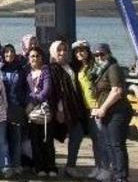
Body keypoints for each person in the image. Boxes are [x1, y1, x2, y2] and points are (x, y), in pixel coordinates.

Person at [90, 43, 133, 182]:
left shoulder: (113, 68)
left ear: (109, 54)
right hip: (106, 112)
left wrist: (103, 108)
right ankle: (115, 174)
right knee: (109, 144)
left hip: (118, 111)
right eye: (96, 55)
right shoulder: (99, 71)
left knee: (116, 144)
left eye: (102, 54)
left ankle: (121, 176)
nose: (99, 57)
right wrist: (98, 108)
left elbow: (117, 91)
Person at [49, 40, 89, 178]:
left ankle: (70, 165)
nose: (62, 53)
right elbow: (55, 90)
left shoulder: (70, 66)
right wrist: (59, 110)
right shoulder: (52, 68)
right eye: (59, 50)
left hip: (74, 107)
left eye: (64, 50)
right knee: (53, 136)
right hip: (63, 109)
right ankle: (50, 165)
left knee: (77, 134)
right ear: (53, 52)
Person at [72, 40, 109, 180]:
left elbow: (102, 85)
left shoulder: (95, 66)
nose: (79, 53)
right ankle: (98, 166)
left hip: (97, 107)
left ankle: (106, 169)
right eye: (77, 51)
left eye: (82, 50)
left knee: (101, 140)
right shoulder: (81, 67)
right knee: (95, 140)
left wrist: (99, 105)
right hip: (87, 109)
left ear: (88, 51)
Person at [26, 47, 57, 177]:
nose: (35, 58)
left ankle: (51, 167)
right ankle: (39, 167)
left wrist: (33, 102)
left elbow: (46, 91)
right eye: (32, 56)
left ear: (41, 57)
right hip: (32, 113)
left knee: (47, 140)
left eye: (37, 55)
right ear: (28, 59)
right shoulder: (28, 74)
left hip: (44, 111)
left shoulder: (46, 71)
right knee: (35, 141)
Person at [0, 44, 27, 176]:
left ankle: (16, 164)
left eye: (11, 51)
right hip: (2, 108)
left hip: (16, 107)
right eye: (6, 52)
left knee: (16, 138)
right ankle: (6, 165)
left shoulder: (20, 69)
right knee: (3, 139)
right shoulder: (0, 69)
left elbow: (25, 88)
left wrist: (24, 105)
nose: (9, 54)